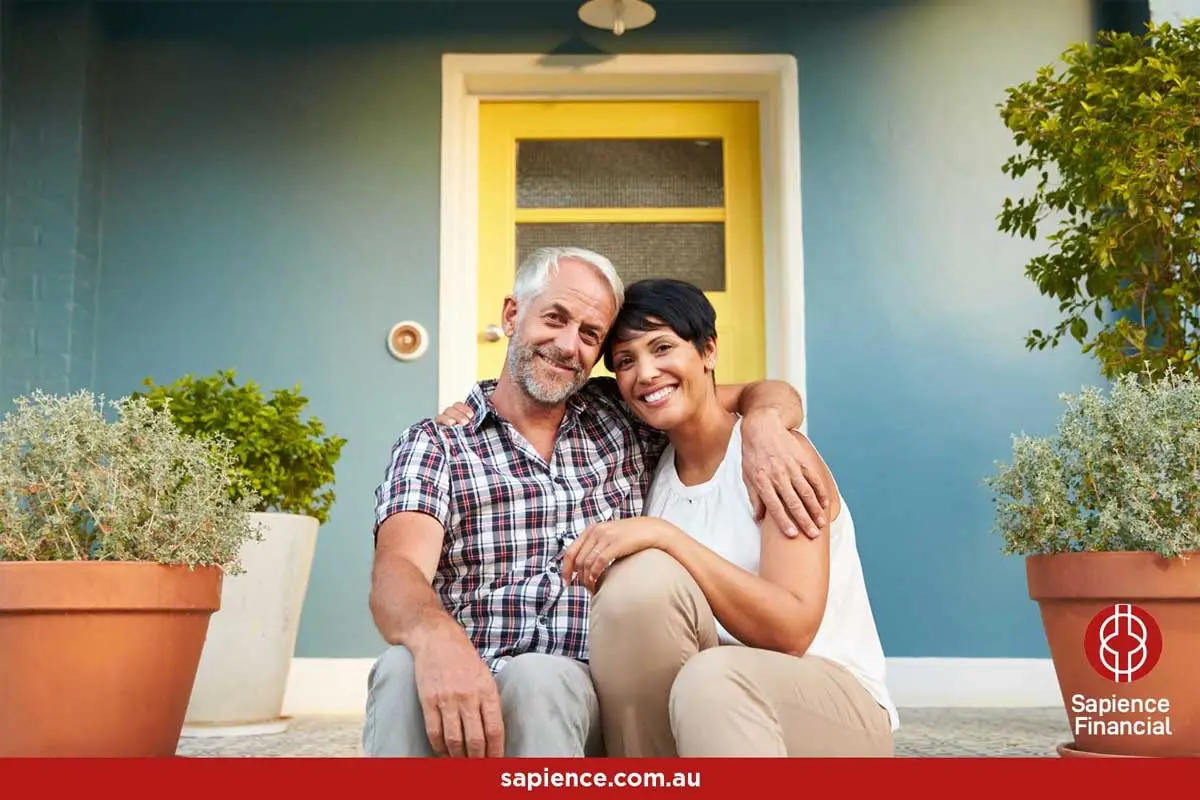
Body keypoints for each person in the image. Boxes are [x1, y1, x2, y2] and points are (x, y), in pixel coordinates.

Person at [364, 246, 832, 758]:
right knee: (400, 667)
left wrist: (766, 424)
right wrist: (438, 640)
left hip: (574, 688)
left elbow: (751, 393)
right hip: (463, 664)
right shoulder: (436, 443)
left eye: (589, 335)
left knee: (536, 679)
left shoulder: (623, 413)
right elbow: (397, 572)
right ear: (512, 315)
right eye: (555, 319)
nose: (569, 345)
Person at [561, 277, 898, 758]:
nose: (647, 373)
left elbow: (791, 629)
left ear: (709, 351)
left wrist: (666, 537)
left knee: (712, 676)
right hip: (713, 711)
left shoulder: (778, 457)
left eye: (662, 348)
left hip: (832, 704)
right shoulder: (650, 463)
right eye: (625, 362)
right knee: (640, 588)